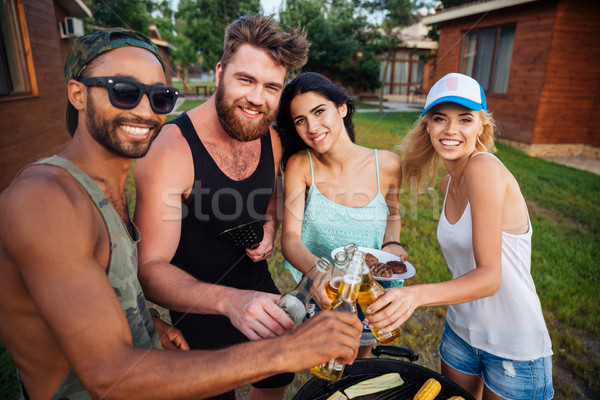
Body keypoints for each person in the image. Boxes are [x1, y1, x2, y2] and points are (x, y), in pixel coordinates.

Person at [0, 28, 362, 400]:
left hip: (220, 310)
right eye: (123, 91)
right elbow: (109, 374)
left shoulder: (103, 190)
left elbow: (106, 287)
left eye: (160, 98)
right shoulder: (46, 200)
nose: (143, 110)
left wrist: (146, 322)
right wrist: (289, 349)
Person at [133, 15, 312, 400]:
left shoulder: (273, 140)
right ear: (219, 73)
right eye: (245, 80)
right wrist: (229, 302)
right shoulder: (169, 151)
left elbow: (271, 199)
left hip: (262, 295)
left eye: (271, 87)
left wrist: (268, 226)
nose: (257, 98)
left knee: (276, 382)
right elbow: (147, 269)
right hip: (199, 310)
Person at [365, 73, 554, 400]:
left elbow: (489, 277)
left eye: (464, 119)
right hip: (460, 334)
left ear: (481, 126)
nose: (451, 130)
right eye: (440, 119)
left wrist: (415, 296)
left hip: (513, 346)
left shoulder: (485, 168)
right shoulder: (447, 183)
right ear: (428, 125)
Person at [276, 72, 409, 359]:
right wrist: (318, 273)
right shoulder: (301, 165)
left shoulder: (387, 164)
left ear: (342, 107)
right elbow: (289, 239)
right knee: (329, 372)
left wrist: (391, 246)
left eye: (319, 111)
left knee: (360, 370)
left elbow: (394, 215)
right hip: (325, 292)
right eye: (300, 120)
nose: (312, 127)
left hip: (372, 290)